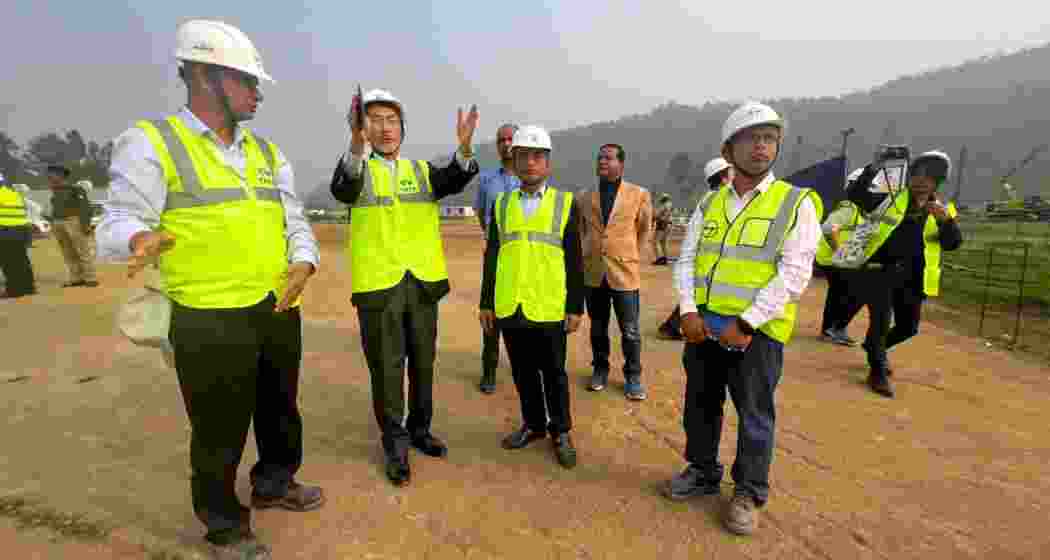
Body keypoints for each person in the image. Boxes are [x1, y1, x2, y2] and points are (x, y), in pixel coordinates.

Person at [96, 19, 323, 559]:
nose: (257, 92)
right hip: (205, 315)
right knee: (219, 427)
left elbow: (293, 218)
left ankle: (274, 480)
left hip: (273, 304)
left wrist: (304, 260)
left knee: (278, 407)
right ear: (204, 76)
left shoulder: (267, 153)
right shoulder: (151, 143)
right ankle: (224, 525)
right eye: (246, 80)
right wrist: (139, 236)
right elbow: (115, 221)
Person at [664, 102, 822, 536]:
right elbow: (687, 260)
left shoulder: (796, 203)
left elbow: (794, 274)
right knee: (700, 405)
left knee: (754, 415)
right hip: (704, 328)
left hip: (757, 335)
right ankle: (702, 470)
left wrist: (747, 322)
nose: (761, 146)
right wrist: (689, 311)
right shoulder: (710, 203)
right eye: (751, 138)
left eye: (769, 138)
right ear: (729, 148)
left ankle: (749, 492)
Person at [329, 88, 479, 487]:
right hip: (379, 287)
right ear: (362, 127)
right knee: (387, 368)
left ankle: (420, 430)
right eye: (375, 120)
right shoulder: (357, 170)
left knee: (424, 363)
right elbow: (342, 188)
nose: (385, 128)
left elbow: (456, 177)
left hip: (421, 285)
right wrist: (356, 147)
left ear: (402, 127)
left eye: (391, 120)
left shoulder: (420, 170)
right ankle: (394, 443)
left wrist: (464, 149)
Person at [479, 125, 584, 468]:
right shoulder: (501, 204)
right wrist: (486, 302)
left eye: (537, 156)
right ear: (514, 159)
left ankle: (562, 431)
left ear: (547, 163)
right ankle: (534, 424)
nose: (529, 163)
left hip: (549, 303)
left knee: (554, 372)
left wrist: (574, 307)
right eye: (523, 156)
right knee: (523, 372)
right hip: (511, 302)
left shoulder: (565, 203)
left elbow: (574, 258)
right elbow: (492, 254)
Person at [844, 150, 963, 398]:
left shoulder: (941, 210)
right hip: (880, 271)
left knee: (908, 327)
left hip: (914, 278)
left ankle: (874, 349)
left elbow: (952, 243)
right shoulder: (891, 199)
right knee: (880, 323)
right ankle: (877, 371)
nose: (920, 181)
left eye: (928, 178)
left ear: (937, 183)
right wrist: (875, 165)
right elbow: (855, 194)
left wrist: (946, 222)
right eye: (917, 175)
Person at [576, 143, 653, 399]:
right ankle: (599, 369)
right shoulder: (584, 197)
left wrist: (631, 255)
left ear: (621, 164)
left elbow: (644, 229)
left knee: (629, 329)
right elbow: (580, 230)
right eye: (599, 158)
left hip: (624, 272)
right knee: (597, 327)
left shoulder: (638, 194)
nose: (602, 162)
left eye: (608, 158)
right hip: (594, 272)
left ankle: (633, 375)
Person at [657, 157, 734, 340]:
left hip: (709, 261)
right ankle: (672, 326)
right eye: (730, 172)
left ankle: (672, 325)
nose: (734, 175)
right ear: (723, 178)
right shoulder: (715, 201)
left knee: (698, 297)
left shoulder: (713, 199)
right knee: (700, 298)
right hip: (708, 261)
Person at [472, 123, 521, 394]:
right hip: (494, 255)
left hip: (522, 256)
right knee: (490, 311)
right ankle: (489, 370)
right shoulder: (487, 179)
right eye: (501, 140)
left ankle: (522, 369)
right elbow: (482, 216)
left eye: (510, 139)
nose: (506, 144)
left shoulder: (528, 178)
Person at [815, 167, 867, 346]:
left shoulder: (859, 210)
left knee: (838, 293)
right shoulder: (849, 208)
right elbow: (829, 228)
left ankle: (830, 330)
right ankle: (834, 328)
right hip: (834, 260)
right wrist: (841, 251)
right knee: (850, 292)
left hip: (837, 260)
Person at [47, 164, 98, 287]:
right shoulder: (55, 190)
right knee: (68, 252)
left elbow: (85, 208)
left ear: (61, 175)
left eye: (53, 173)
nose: (49, 176)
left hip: (73, 221)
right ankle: (76, 277)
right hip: (58, 223)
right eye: (49, 174)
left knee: (82, 250)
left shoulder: (75, 189)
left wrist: (85, 225)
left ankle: (90, 277)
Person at [0, 174, 37, 298]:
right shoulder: (13, 194)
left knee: (9, 262)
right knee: (22, 260)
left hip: (5, 231)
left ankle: (14, 290)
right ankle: (29, 287)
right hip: (21, 230)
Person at [652, 193, 674, 265]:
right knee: (663, 243)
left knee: (655, 242)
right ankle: (665, 258)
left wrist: (654, 217)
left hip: (662, 225)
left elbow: (658, 215)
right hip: (668, 225)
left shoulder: (664, 206)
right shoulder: (670, 205)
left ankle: (659, 259)